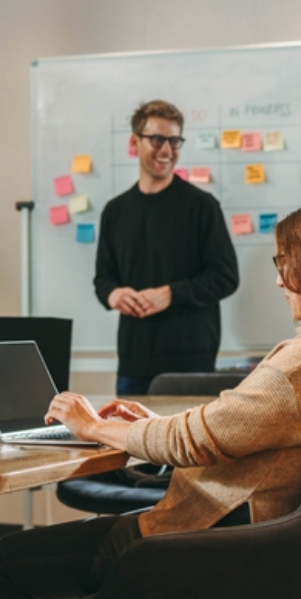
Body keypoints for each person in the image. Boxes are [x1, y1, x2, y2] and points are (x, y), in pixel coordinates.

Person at [0, 198, 301, 599]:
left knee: (9, 562)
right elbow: (233, 426)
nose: (277, 279)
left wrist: (91, 427)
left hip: (214, 541)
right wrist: (152, 426)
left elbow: (198, 440)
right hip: (264, 544)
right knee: (66, 557)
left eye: (285, 262)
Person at [94, 100, 239, 395]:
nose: (167, 150)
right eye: (157, 139)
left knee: (188, 443)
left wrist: (171, 294)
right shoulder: (115, 211)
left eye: (175, 141)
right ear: (135, 142)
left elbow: (226, 277)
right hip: (134, 361)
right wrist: (113, 294)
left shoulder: (202, 206)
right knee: (127, 440)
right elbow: (103, 278)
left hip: (191, 363)